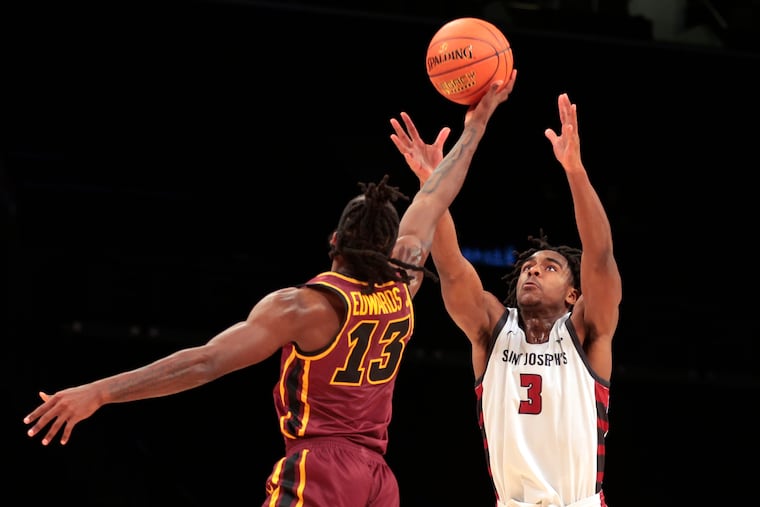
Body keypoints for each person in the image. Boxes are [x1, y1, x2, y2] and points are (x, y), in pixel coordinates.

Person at [23, 71, 518, 507]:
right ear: (391, 246)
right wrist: (478, 122)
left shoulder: (304, 307)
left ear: (333, 241)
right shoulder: (404, 283)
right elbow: (435, 198)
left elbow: (204, 362)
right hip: (378, 479)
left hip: (321, 468)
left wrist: (99, 392)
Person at [389, 91, 622, 507]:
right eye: (530, 265)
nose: (533, 269)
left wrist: (574, 169)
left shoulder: (587, 331)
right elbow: (451, 266)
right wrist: (432, 185)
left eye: (550, 267)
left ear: (574, 293)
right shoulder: (493, 328)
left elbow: (600, 257)